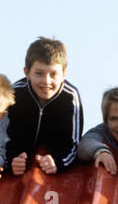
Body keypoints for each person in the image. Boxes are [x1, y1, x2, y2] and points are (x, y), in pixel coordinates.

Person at [6, 36, 83, 175]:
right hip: (20, 160)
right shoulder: (14, 94)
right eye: (39, 73)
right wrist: (11, 159)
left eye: (53, 74)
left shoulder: (70, 97)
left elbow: (73, 144)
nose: (46, 81)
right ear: (27, 73)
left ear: (64, 74)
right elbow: (1, 137)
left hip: (51, 160)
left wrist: (58, 162)